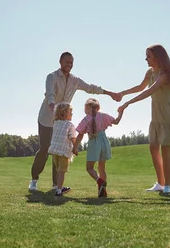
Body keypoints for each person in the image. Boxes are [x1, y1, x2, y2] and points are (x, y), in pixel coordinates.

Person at [29, 52, 121, 192]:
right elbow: (50, 95)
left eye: (71, 63)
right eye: (67, 62)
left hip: (62, 121)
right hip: (47, 119)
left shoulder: (75, 80)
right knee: (45, 149)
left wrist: (110, 93)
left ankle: (56, 185)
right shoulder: (52, 77)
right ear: (60, 62)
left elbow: (91, 88)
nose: (69, 65)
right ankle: (34, 181)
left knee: (59, 151)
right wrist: (55, 110)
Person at [117, 45, 170, 194]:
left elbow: (149, 91)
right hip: (156, 115)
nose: (146, 59)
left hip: (167, 114)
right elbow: (141, 87)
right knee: (153, 148)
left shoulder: (164, 74)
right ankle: (160, 183)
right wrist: (123, 93)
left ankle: (167, 186)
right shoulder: (150, 72)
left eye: (148, 56)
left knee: (165, 149)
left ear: (157, 57)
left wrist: (128, 103)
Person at [73, 98, 123, 198]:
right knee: (102, 168)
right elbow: (116, 121)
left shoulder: (86, 119)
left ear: (87, 108)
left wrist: (75, 147)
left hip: (93, 141)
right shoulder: (103, 116)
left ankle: (99, 181)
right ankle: (103, 192)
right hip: (104, 141)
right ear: (98, 108)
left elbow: (80, 135)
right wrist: (120, 112)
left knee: (89, 168)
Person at [47, 103, 77, 196]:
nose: (72, 114)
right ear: (64, 113)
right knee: (62, 171)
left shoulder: (55, 123)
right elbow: (72, 137)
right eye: (70, 112)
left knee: (58, 170)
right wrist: (75, 148)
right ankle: (59, 190)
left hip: (54, 150)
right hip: (64, 151)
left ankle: (58, 186)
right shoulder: (70, 125)